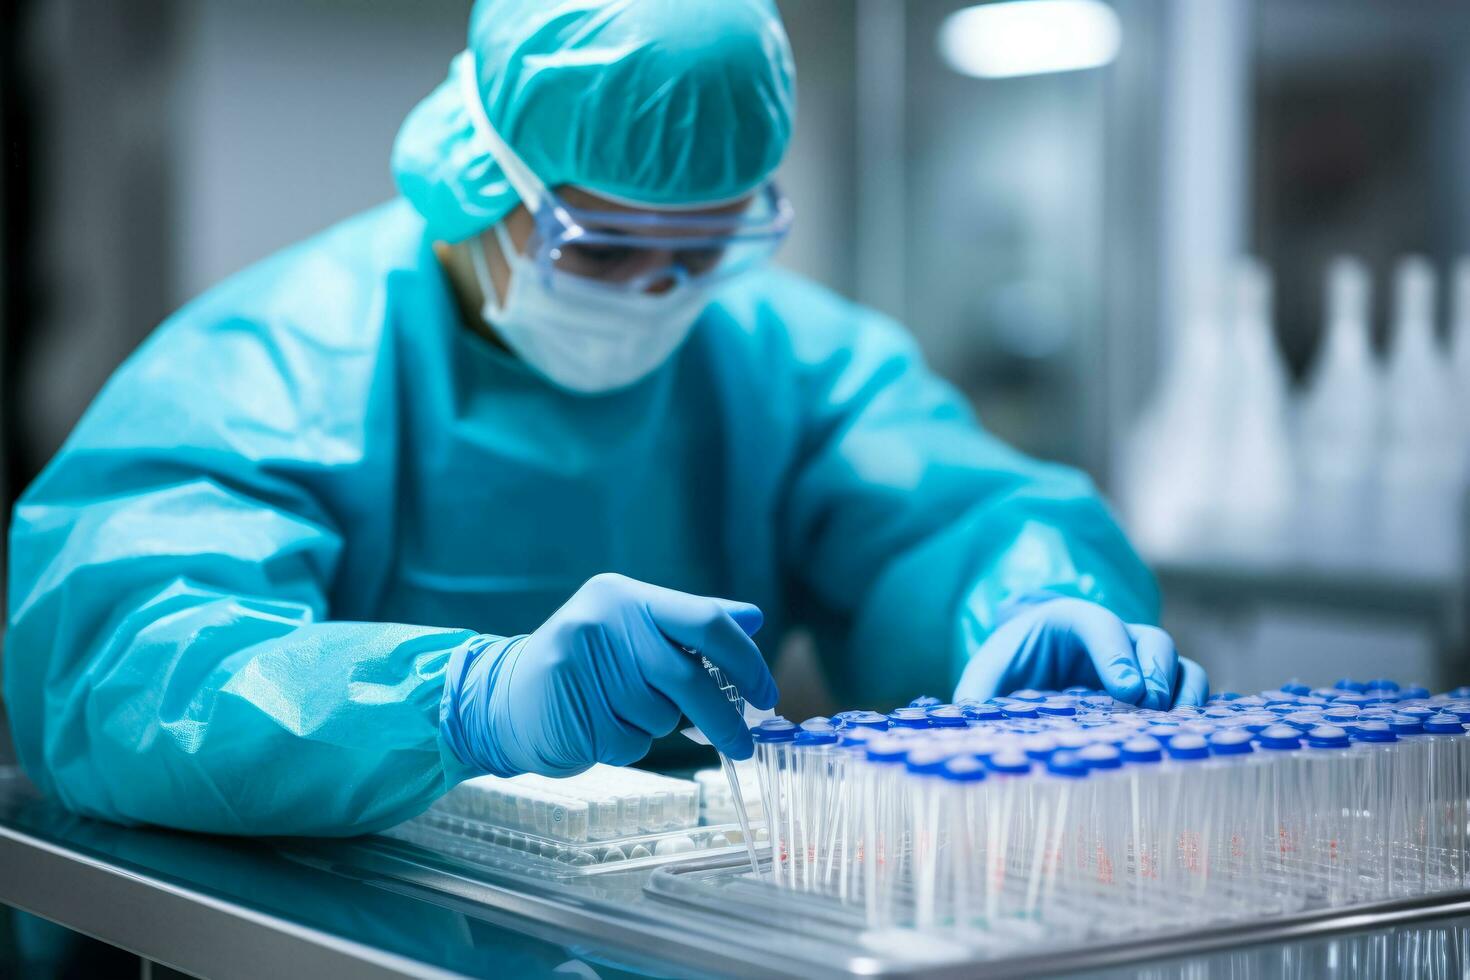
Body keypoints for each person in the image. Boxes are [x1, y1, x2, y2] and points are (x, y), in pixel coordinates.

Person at [3, 0, 1205, 837]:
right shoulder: (275, 360)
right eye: (610, 244)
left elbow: (952, 512)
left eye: (708, 246)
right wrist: (463, 699)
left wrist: (1030, 603)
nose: (659, 295)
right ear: (485, 174)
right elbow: (115, 659)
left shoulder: (775, 356)